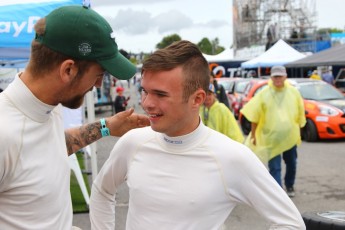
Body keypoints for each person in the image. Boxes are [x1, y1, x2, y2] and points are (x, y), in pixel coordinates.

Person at [89, 41, 306, 229]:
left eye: (160, 94)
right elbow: (102, 191)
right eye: (145, 91)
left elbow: (290, 223)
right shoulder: (133, 142)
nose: (146, 103)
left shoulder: (232, 157)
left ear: (197, 99)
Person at [0, 5, 150, 230]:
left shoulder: (46, 106)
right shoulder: (5, 132)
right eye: (99, 74)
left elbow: (52, 146)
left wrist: (107, 126)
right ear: (68, 70)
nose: (99, 84)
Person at [241, 65, 306, 198]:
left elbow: (300, 112)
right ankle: (279, 193)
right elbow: (255, 114)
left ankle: (289, 185)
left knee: (292, 163)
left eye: (280, 76)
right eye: (275, 76)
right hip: (271, 138)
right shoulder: (264, 94)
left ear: (285, 76)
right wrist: (253, 135)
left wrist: (299, 130)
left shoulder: (293, 92)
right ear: (271, 77)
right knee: (275, 167)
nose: (277, 79)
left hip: (289, 136)